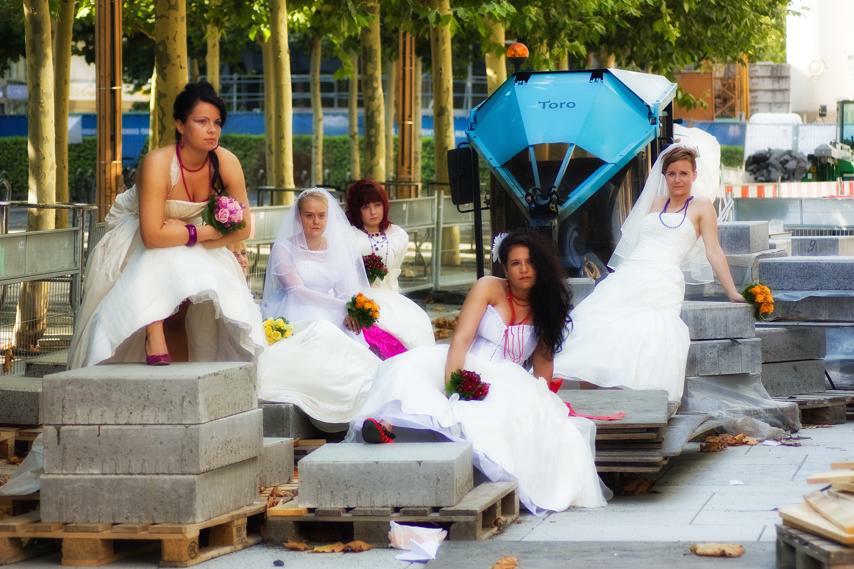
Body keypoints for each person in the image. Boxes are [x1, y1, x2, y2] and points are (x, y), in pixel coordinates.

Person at [349, 230, 608, 514]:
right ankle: (386, 427)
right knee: (411, 370)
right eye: (515, 263)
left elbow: (543, 366)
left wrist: (543, 402)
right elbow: (461, 338)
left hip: (508, 379)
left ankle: (476, 474)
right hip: (467, 363)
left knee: (505, 416)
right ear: (505, 268)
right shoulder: (488, 287)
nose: (523, 269)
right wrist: (453, 385)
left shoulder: (548, 304)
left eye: (530, 262)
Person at [68, 81, 264, 368]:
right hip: (139, 232)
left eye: (217, 122)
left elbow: (244, 227)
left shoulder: (226, 162)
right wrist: (199, 232)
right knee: (162, 256)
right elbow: (151, 235)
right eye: (202, 121)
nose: (212, 129)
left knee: (191, 304)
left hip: (190, 236)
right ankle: (152, 328)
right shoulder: (158, 162)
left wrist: (202, 236)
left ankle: (187, 364)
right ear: (180, 124)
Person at [553, 144, 744, 402]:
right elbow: (636, 242)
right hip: (631, 271)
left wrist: (732, 292)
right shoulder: (655, 202)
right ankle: (594, 400)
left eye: (683, 173)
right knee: (596, 321)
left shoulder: (702, 207)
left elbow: (714, 251)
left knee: (641, 329)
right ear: (664, 176)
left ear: (694, 175)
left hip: (662, 276)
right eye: (672, 173)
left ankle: (629, 397)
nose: (677, 179)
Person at [257, 189, 383, 425]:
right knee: (319, 334)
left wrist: (351, 310)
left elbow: (345, 289)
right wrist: (343, 305)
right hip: (297, 308)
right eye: (309, 215)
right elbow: (297, 290)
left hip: (333, 310)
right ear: (299, 217)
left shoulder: (336, 248)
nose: (316, 221)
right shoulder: (284, 248)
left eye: (321, 215)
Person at [345, 179, 435, 353]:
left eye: (377, 205)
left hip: (390, 296)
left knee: (416, 327)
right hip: (357, 298)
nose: (373, 212)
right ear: (357, 210)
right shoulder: (349, 236)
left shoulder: (398, 235)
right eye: (365, 207)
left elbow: (394, 271)